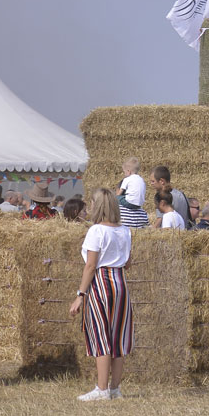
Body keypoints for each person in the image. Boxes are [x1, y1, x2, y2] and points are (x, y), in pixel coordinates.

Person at [70, 189, 134, 401]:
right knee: (118, 336)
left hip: (101, 283)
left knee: (101, 335)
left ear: (97, 206)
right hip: (121, 284)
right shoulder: (125, 230)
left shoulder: (96, 231)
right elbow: (128, 263)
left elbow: (90, 266)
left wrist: (80, 294)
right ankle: (115, 389)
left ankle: (102, 389)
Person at [117, 158, 148, 229]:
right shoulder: (141, 180)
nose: (124, 174)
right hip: (139, 204)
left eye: (124, 172)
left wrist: (116, 198)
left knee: (115, 198)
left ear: (128, 171)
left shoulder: (127, 179)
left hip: (130, 203)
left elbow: (120, 192)